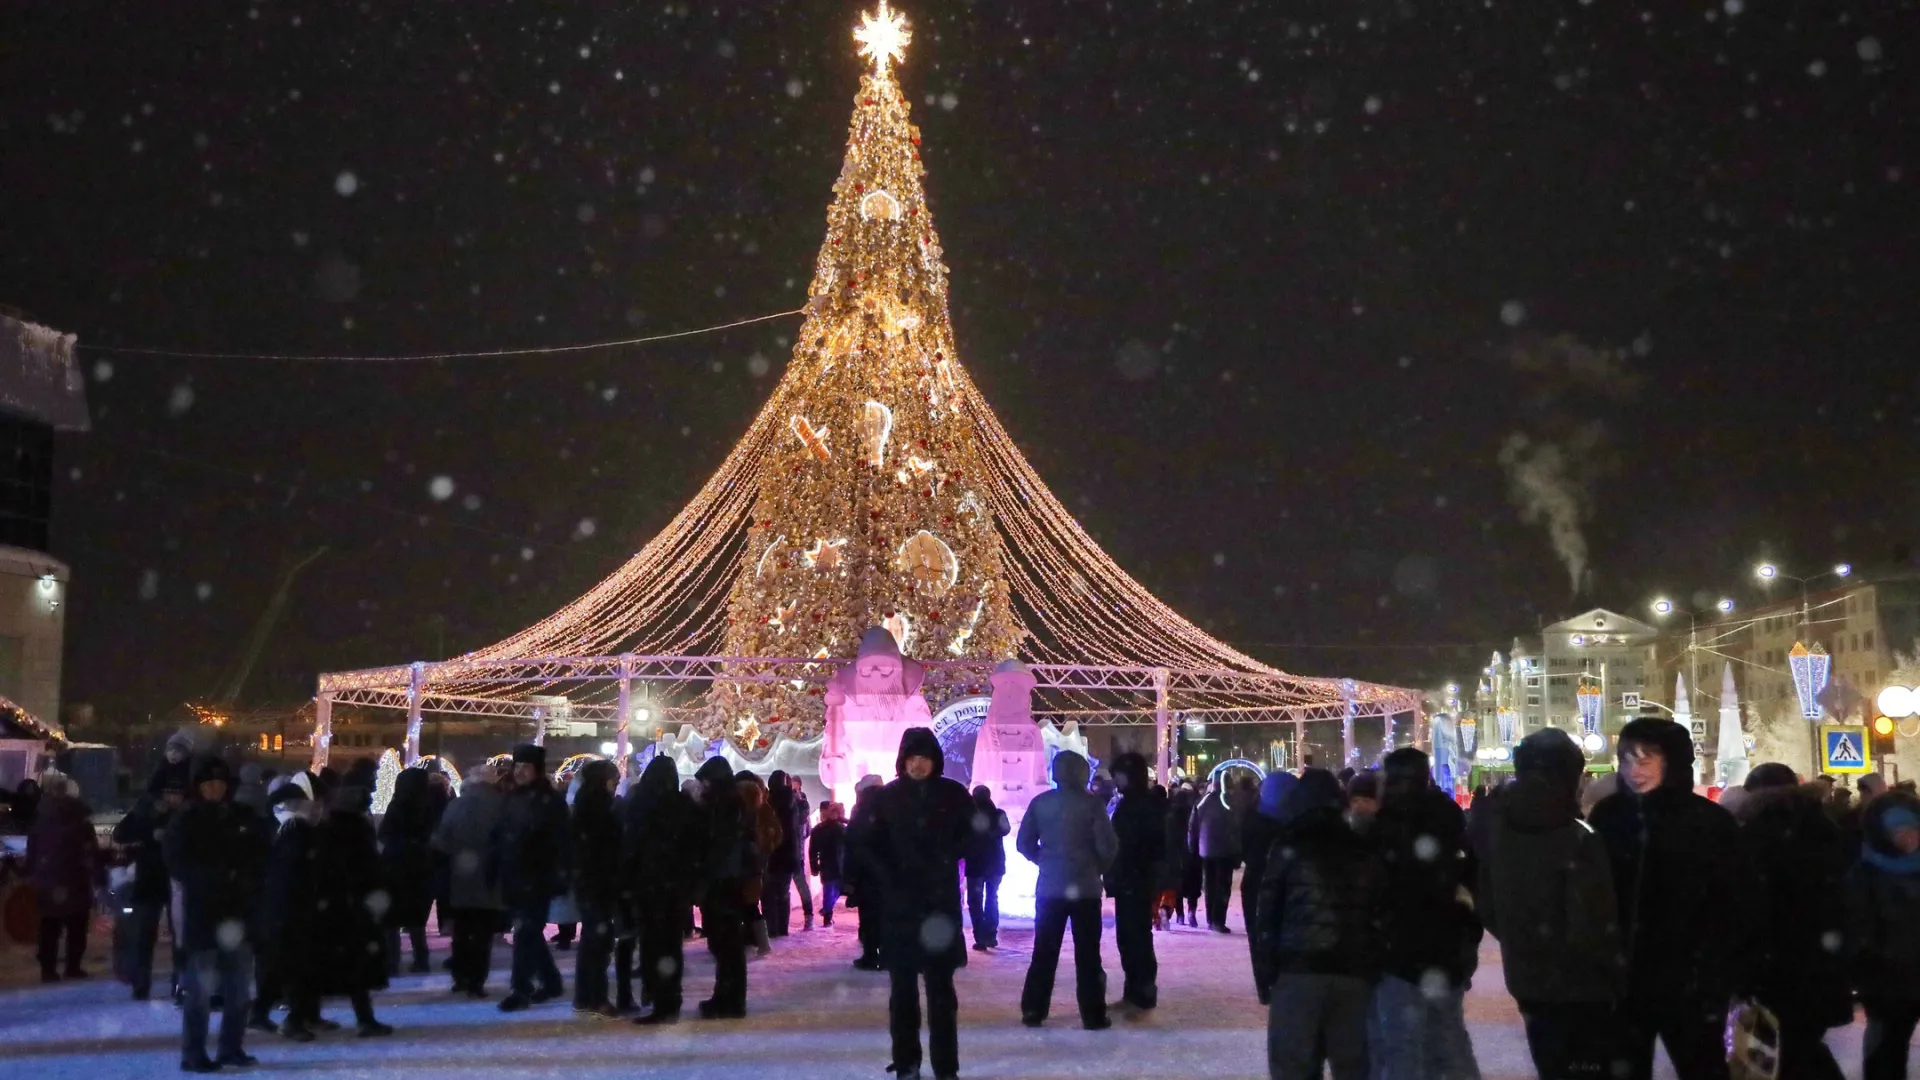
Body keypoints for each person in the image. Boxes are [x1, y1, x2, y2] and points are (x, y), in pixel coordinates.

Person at [1588, 717, 1753, 1080]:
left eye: (1646, 760)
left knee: (1701, 1067)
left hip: (1691, 982)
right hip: (1624, 980)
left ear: (1673, 763)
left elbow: (1737, 901)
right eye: (1627, 759)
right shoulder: (1609, 816)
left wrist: (1720, 967)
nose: (1634, 771)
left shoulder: (1707, 823)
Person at [1476, 727, 1623, 1080]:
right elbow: (1591, 923)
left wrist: (1521, 939)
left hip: (1528, 977)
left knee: (1552, 1065)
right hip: (1583, 990)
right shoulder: (1578, 837)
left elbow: (1487, 903)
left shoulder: (1496, 829)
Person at [1253, 767, 1384, 1080]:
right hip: (1353, 972)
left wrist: (1267, 976)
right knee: (1355, 1067)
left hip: (1299, 971)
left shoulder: (1288, 844)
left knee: (1294, 1066)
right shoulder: (1361, 846)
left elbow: (1267, 914)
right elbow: (1377, 910)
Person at [861, 727, 975, 1080]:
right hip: (901, 911)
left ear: (935, 761)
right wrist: (889, 876)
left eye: (924, 758)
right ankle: (907, 1063)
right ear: (902, 760)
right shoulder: (885, 799)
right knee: (903, 995)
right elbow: (867, 845)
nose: (918, 765)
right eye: (912, 758)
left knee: (942, 994)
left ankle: (946, 1066)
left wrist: (947, 859)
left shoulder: (954, 795)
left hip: (939, 909)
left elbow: (973, 836)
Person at [1368, 747, 1483, 1080]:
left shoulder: (1385, 822)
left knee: (1402, 1046)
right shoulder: (1447, 815)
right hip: (1446, 950)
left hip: (1399, 952)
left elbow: (1378, 886)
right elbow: (1469, 881)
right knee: (1448, 1041)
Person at [1732, 763, 1850, 1080]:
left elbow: (1750, 902)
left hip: (1777, 959)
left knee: (1784, 1050)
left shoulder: (1757, 834)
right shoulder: (1824, 827)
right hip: (1821, 955)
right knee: (1802, 1043)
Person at [165, 756, 271, 1073]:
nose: (215, 789)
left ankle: (231, 1047)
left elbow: (261, 855)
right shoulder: (187, 820)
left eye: (220, 783)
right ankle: (194, 1052)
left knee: (238, 990)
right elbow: (177, 863)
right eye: (209, 784)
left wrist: (246, 879)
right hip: (204, 915)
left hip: (238, 915)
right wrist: (214, 877)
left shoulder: (241, 816)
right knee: (199, 992)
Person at [1017, 749, 1119, 1030]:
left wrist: (1045, 861)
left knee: (1044, 953)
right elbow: (1107, 846)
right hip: (1085, 889)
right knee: (1088, 955)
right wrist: (1096, 867)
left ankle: (1033, 1009)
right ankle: (1093, 1013)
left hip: (1049, 888)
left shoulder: (1040, 803)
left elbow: (1023, 843)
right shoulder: (1093, 805)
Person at [300, 784, 395, 1037]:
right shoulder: (356, 830)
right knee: (356, 967)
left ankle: (309, 1014)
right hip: (353, 908)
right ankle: (363, 1018)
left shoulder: (326, 829)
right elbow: (367, 868)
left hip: (332, 907)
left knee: (327, 965)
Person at [1847, 788, 1920, 1080]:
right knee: (1887, 1048)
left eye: (1913, 829)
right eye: (1898, 830)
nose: (1909, 837)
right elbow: (1857, 925)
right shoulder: (1865, 872)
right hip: (1888, 979)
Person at [494, 744, 572, 1012]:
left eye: (525, 767)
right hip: (515, 875)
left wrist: (556, 873)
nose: (520, 772)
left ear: (537, 770)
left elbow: (560, 842)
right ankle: (551, 981)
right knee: (529, 932)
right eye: (517, 767)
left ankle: (521, 988)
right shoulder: (513, 797)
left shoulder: (549, 801)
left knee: (526, 932)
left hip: (537, 877)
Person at [625, 755, 700, 1025]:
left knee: (652, 943)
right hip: (675, 888)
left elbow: (630, 846)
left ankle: (657, 995)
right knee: (670, 944)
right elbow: (695, 848)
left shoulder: (641, 805)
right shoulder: (683, 806)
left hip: (648, 885)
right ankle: (669, 997)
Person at [251, 774, 321, 1038]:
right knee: (295, 967)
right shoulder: (297, 831)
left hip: (275, 909)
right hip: (291, 909)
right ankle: (294, 1020)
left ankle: (260, 1013)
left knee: (278, 965)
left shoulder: (273, 828)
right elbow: (298, 872)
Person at [433, 763, 508, 998]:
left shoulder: (456, 804)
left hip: (461, 877)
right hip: (490, 878)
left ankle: (461, 976)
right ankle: (476, 980)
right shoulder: (502, 805)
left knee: (462, 932)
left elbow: (441, 840)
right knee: (483, 934)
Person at [114, 771, 188, 1000]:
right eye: (169, 793)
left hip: (177, 878)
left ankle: (180, 983)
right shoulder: (146, 810)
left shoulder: (186, 813)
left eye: (178, 793)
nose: (173, 798)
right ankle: (140, 982)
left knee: (181, 936)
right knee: (143, 934)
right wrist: (149, 832)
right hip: (150, 878)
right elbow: (120, 834)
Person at [1105, 751, 1166, 1012]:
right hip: (1133, 878)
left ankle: (1140, 992)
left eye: (1118, 774)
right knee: (1134, 937)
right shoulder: (1137, 803)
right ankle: (1138, 990)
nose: (1115, 780)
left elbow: (1134, 844)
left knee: (1134, 937)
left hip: (1133, 878)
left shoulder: (1137, 806)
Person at [26, 770, 100, 982]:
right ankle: (72, 966)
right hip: (75, 879)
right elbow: (91, 851)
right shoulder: (80, 818)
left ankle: (48, 969)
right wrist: (99, 875)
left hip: (48, 880)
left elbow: (33, 849)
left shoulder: (40, 817)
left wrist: (31, 873)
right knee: (76, 924)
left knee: (49, 925)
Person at [692, 756, 751, 1018]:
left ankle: (729, 999)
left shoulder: (722, 807)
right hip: (728, 880)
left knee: (725, 943)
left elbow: (716, 847)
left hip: (722, 881)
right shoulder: (732, 805)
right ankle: (728, 996)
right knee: (726, 943)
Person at [569, 759, 624, 1019]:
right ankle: (596, 997)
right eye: (614, 779)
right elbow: (606, 847)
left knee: (593, 940)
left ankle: (584, 995)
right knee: (598, 942)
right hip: (599, 882)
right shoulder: (601, 807)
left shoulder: (584, 803)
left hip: (589, 881)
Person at [1240, 770, 1297, 1004]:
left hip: (1255, 882)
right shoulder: (1291, 826)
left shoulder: (1251, 818)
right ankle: (1278, 981)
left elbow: (1246, 852)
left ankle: (1265, 985)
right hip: (1280, 884)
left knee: (1259, 935)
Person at [379, 767, 441, 975]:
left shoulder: (398, 805)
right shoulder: (430, 806)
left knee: (392, 920)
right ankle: (421, 959)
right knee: (416, 920)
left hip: (396, 868)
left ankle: (392, 962)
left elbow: (385, 833)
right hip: (421, 869)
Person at [846, 773, 888, 970]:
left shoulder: (861, 810)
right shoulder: (891, 807)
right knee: (886, 915)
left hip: (866, 873)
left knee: (869, 915)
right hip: (889, 872)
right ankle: (887, 955)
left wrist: (850, 876)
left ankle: (871, 955)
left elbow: (852, 844)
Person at [1189, 776, 1242, 932]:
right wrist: (1238, 852)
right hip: (1225, 850)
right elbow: (1235, 829)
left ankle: (1210, 918)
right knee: (1223, 886)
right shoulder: (1229, 803)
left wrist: (1193, 846)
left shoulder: (1201, 802)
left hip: (1205, 849)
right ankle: (1218, 920)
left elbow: (1192, 826)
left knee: (1210, 885)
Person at [963, 784, 1010, 951]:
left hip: (975, 863)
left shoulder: (969, 816)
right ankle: (991, 935)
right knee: (992, 898)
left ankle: (981, 938)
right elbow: (1006, 830)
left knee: (975, 901)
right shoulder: (998, 814)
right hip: (995, 863)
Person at [764, 769, 802, 939]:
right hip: (790, 852)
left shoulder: (769, 801)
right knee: (784, 892)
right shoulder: (793, 800)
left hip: (773, 851)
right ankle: (782, 927)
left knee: (770, 892)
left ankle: (772, 928)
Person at [1167, 783, 1202, 927]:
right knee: (1193, 886)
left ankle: (1180, 915)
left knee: (1178, 888)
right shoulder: (1193, 812)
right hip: (1191, 854)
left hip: (1176, 856)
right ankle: (1191, 913)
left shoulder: (1170, 816)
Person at [810, 800, 849, 927]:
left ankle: (827, 914)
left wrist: (814, 866)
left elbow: (813, 850)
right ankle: (827, 910)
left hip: (825, 864)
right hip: (839, 864)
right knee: (838, 889)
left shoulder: (818, 829)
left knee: (828, 889)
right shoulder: (842, 829)